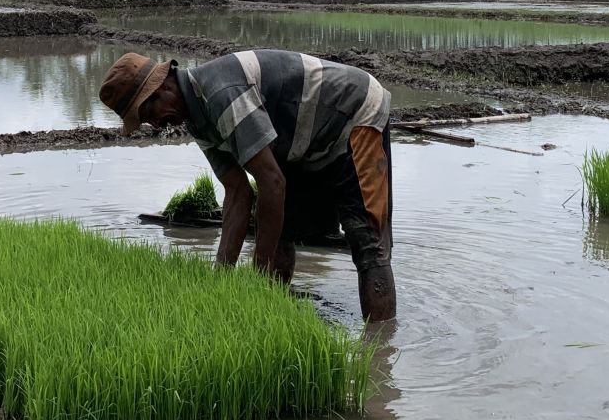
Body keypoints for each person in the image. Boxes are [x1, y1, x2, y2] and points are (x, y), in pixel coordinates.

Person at [99, 50, 397, 322]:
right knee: (280, 229)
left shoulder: (222, 93)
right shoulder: (197, 119)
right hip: (300, 139)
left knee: (367, 243)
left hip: (354, 113)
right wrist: (221, 280)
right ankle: (271, 311)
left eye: (148, 114)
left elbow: (272, 182)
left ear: (162, 87)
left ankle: (381, 354)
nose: (154, 124)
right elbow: (237, 193)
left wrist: (259, 270)